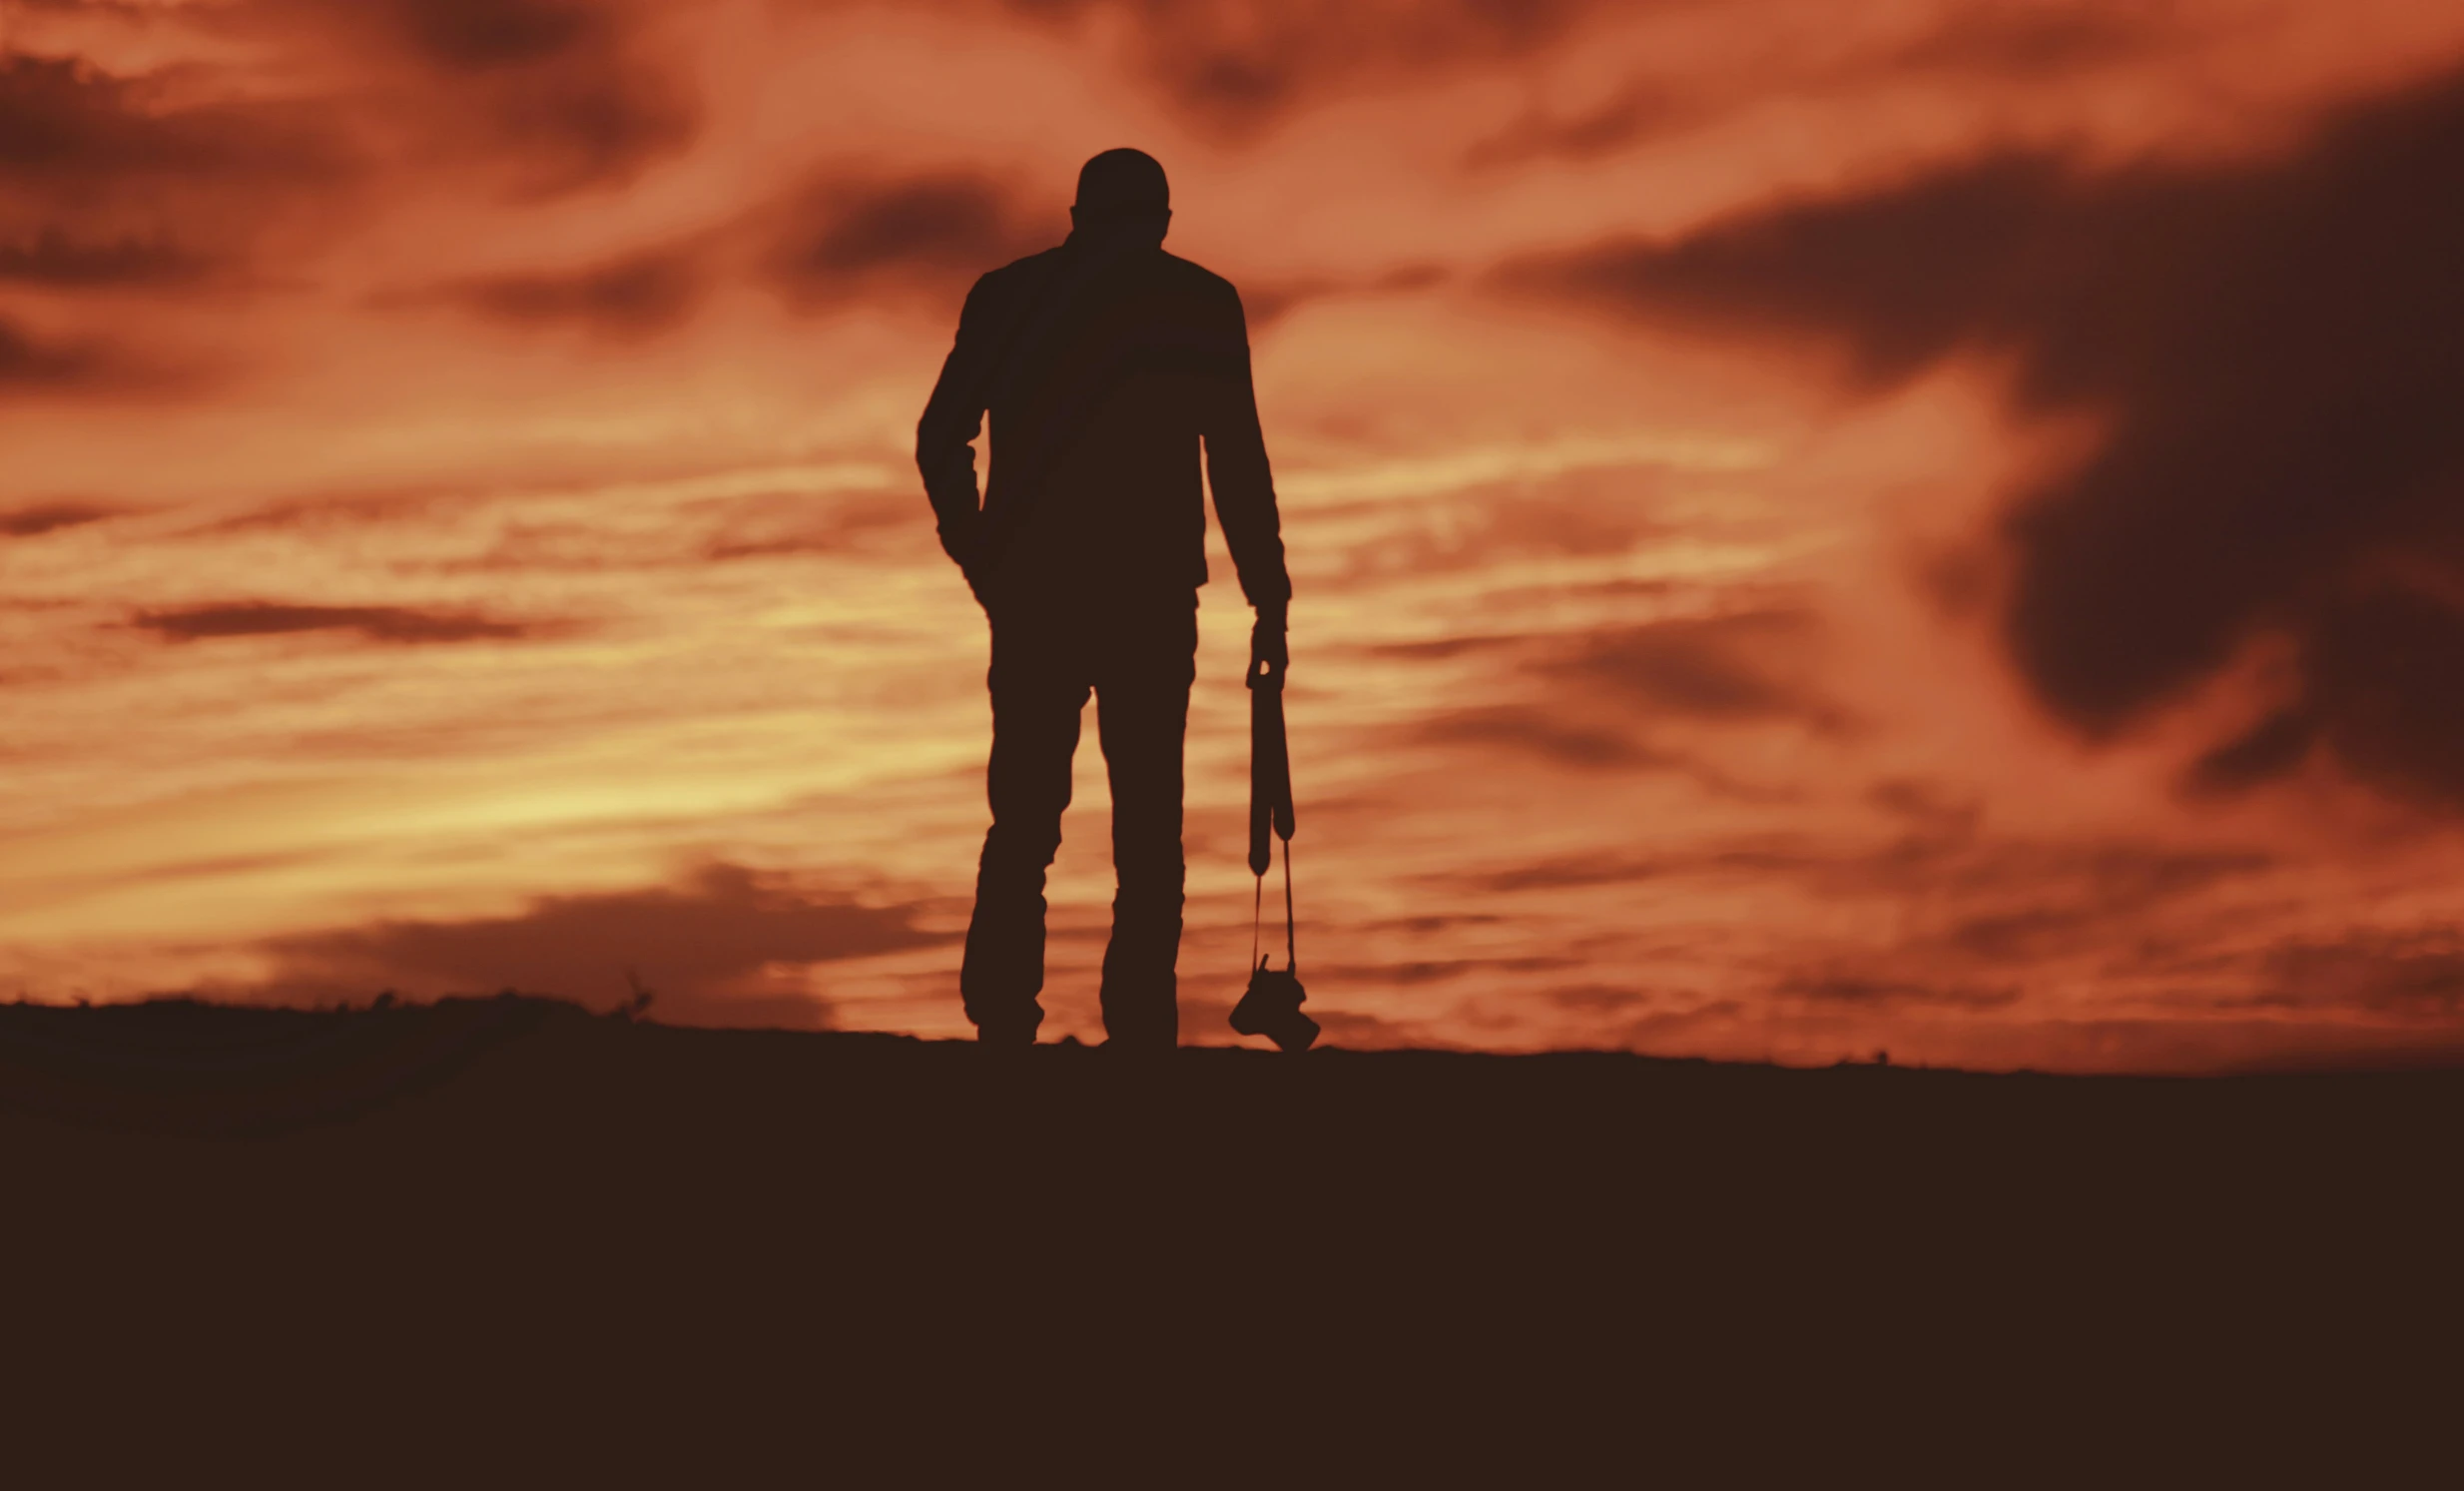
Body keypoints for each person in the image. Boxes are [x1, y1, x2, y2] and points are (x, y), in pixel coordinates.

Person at [916, 148, 1291, 1050]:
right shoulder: (1199, 303)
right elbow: (1236, 461)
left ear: (1077, 214)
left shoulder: (1010, 296)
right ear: (1161, 221)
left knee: (1029, 823)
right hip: (1140, 599)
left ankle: (1010, 1023)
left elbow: (941, 440)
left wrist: (983, 559)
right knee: (1144, 836)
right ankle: (1134, 1036)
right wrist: (1268, 595)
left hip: (1053, 594)